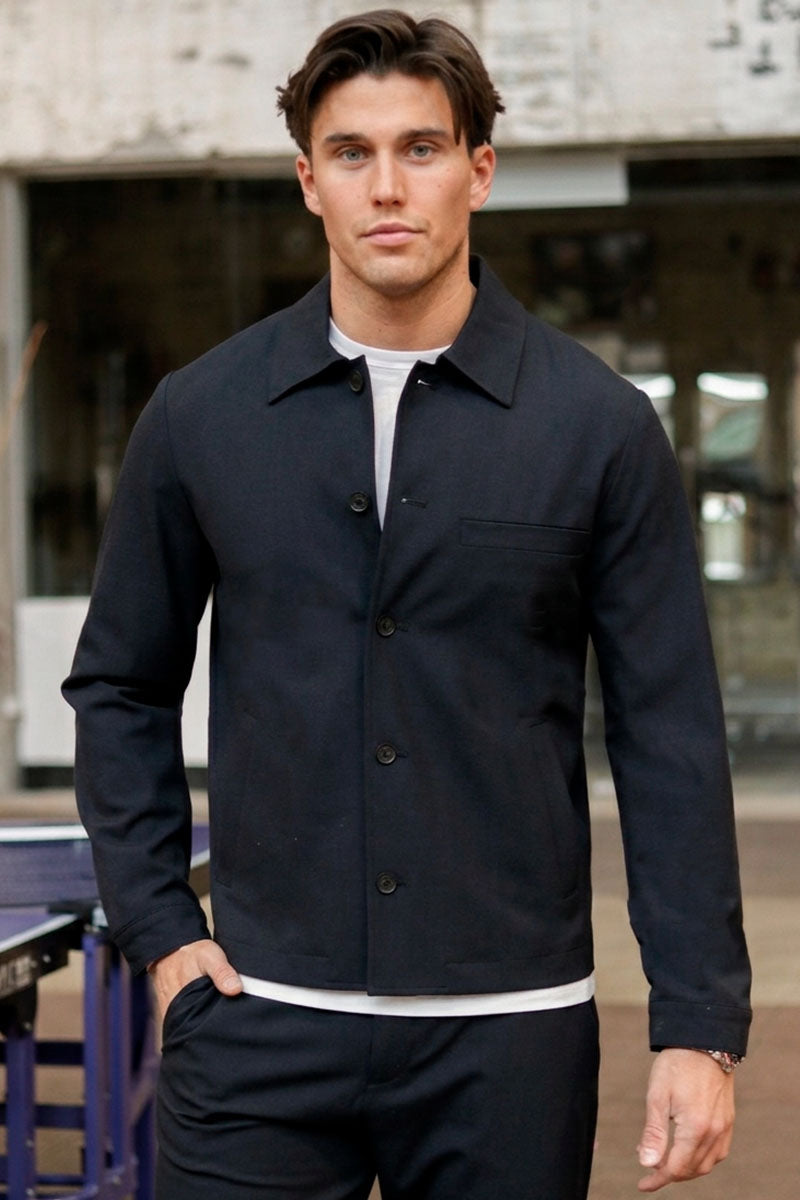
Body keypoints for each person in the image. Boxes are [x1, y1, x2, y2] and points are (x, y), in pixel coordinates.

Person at [63, 10, 751, 1199]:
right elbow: (120, 684)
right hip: (256, 1022)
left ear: (477, 172)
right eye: (351, 152)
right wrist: (162, 934)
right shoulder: (200, 417)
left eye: (420, 149)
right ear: (308, 182)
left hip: (510, 1038)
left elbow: (668, 731)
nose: (386, 186)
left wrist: (697, 1021)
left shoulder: (596, 428)